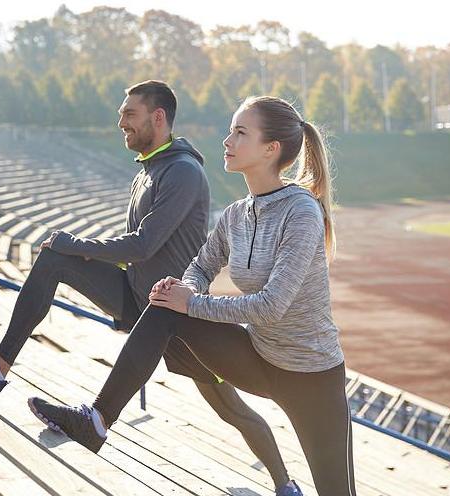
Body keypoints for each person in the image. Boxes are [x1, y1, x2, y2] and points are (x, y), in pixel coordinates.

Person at [0, 81, 300, 494]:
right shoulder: (150, 168)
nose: (121, 122)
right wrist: (82, 255)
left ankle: (285, 484)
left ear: (158, 118)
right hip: (137, 295)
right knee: (55, 259)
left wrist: (78, 244)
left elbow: (145, 245)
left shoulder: (182, 171)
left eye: (130, 114)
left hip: (176, 315)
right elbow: (136, 249)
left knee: (229, 408)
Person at [29, 96, 356, 495]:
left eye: (240, 133)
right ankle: (97, 420)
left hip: (311, 378)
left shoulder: (300, 212)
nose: (227, 140)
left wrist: (193, 303)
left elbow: (272, 307)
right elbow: (202, 265)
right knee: (166, 307)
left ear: (271, 149)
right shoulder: (238, 213)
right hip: (259, 357)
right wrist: (184, 289)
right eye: (230, 130)